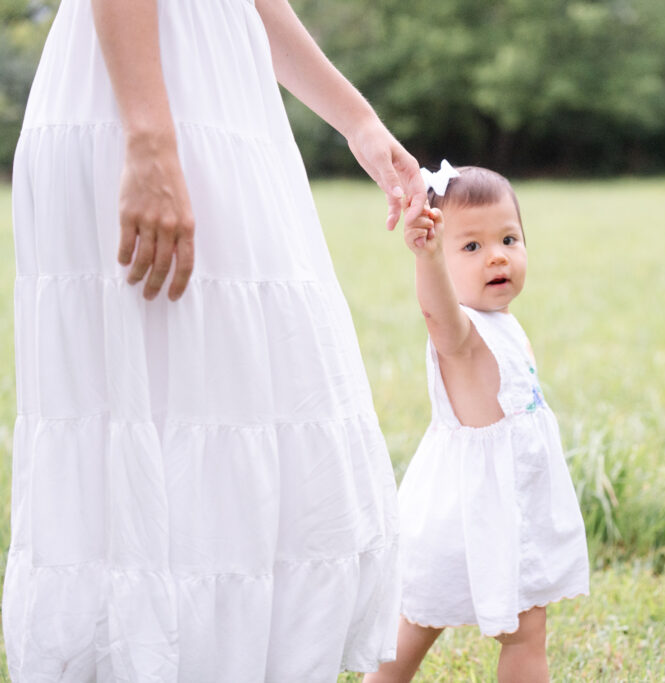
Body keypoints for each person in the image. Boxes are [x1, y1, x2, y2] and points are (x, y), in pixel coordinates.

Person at [4, 0, 426, 680]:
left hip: (223, 103)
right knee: (175, 406)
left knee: (244, 402)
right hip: (141, 100)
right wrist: (149, 138)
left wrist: (359, 121)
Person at [366, 164, 590, 683]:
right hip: (463, 514)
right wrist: (426, 260)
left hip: (512, 510)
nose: (496, 255)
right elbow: (438, 314)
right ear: (442, 259)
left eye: (509, 239)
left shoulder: (505, 325)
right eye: (470, 247)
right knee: (417, 625)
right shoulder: (460, 336)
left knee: (521, 630)